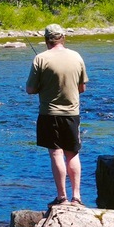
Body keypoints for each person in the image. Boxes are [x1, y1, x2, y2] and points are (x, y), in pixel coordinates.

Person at [24, 22, 88, 207]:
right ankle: (77, 198)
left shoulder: (40, 59)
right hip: (72, 113)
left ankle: (62, 197)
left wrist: (44, 85)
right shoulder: (77, 57)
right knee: (73, 153)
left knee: (56, 153)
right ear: (63, 38)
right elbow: (82, 88)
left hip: (49, 114)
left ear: (46, 40)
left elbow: (30, 89)